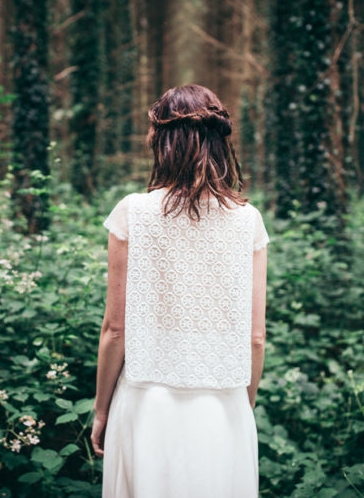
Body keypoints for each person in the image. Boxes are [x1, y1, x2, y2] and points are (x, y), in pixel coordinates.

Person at [90, 84, 269, 497]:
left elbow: (115, 330)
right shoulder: (248, 221)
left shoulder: (132, 212)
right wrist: (244, 404)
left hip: (144, 403)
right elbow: (255, 338)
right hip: (224, 403)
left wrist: (101, 410)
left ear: (162, 142)